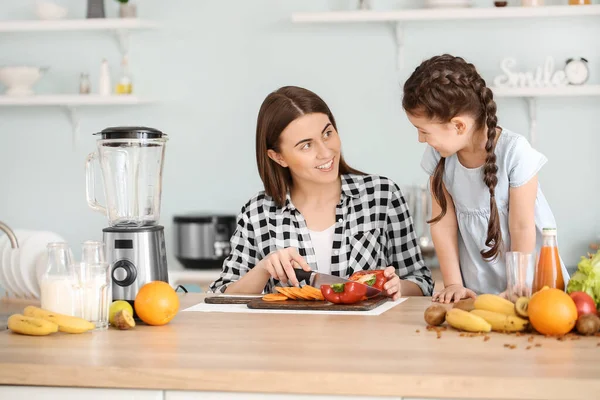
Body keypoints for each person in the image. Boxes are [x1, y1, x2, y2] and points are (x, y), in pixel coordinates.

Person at [209, 86, 433, 299]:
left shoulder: (382, 196)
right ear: (278, 157)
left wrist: (395, 286)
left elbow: (421, 281)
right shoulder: (257, 213)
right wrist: (264, 268)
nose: (326, 152)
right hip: (286, 339)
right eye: (306, 145)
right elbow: (220, 296)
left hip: (366, 337)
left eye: (327, 134)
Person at [401, 54, 568, 303]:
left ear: (458, 126)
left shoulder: (514, 152)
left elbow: (521, 227)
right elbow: (442, 225)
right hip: (476, 292)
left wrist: (518, 285)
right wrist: (454, 283)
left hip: (531, 288)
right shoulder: (439, 157)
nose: (420, 139)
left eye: (424, 131)